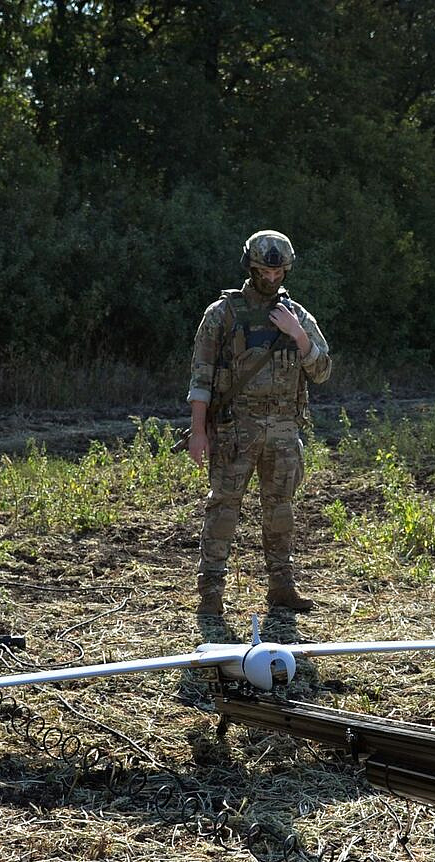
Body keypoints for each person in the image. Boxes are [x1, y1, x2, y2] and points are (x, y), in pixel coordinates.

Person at [186, 230, 332, 633]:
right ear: (251, 266)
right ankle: (211, 592)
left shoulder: (298, 316)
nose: (273, 275)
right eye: (266, 268)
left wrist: (299, 336)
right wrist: (199, 431)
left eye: (279, 268)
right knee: (223, 508)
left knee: (280, 510)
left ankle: (281, 587)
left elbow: (322, 371)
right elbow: (200, 377)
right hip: (237, 430)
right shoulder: (223, 313)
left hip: (284, 433)